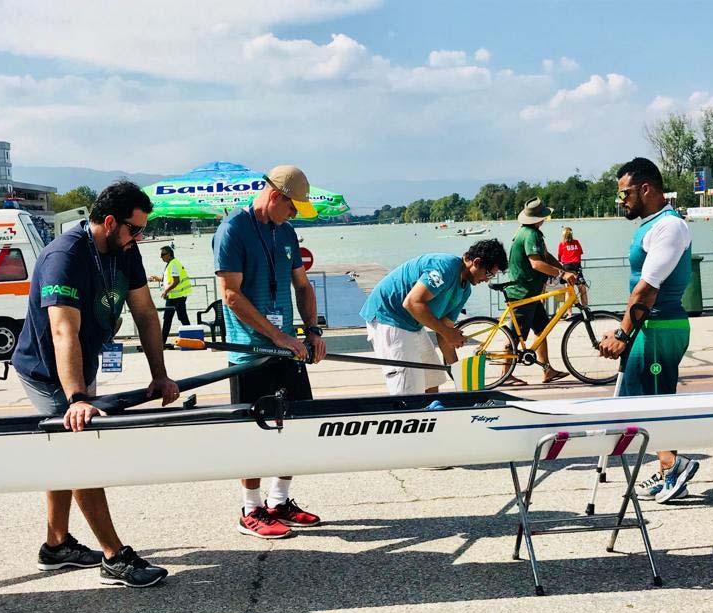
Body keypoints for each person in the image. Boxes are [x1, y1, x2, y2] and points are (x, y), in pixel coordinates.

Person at [12, 180, 179, 587]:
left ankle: (56, 546)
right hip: (46, 369)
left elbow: (144, 313)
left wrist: (160, 374)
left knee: (66, 453)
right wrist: (78, 398)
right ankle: (113, 557)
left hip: (81, 362)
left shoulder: (126, 252)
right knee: (81, 448)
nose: (139, 238)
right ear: (109, 222)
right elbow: (62, 333)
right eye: (134, 229)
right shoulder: (63, 258)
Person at [213, 165, 327, 540]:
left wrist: (311, 331)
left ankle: (280, 501)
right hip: (251, 353)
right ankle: (250, 508)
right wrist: (278, 336)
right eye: (292, 208)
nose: (294, 215)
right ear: (276, 196)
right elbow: (231, 296)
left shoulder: (287, 232)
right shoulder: (233, 230)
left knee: (295, 426)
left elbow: (303, 286)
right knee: (255, 434)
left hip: (288, 350)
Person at [600, 157, 699, 504]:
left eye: (625, 193)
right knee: (637, 401)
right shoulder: (652, 225)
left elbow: (647, 288)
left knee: (652, 405)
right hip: (647, 327)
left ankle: (676, 466)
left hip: (660, 327)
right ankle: (668, 467)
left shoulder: (669, 227)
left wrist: (623, 334)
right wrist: (625, 329)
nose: (621, 201)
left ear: (646, 188)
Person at [360, 239, 508, 395]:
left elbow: (445, 335)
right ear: (476, 262)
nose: (487, 280)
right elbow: (412, 303)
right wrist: (447, 332)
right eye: (489, 274)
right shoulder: (445, 267)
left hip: (412, 324)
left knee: (433, 378)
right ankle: (410, 414)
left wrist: (460, 376)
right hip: (388, 317)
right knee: (408, 388)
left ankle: (430, 412)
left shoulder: (465, 290)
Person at [503, 198, 579, 385]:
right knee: (515, 335)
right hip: (523, 293)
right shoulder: (530, 234)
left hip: (532, 292)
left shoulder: (529, 232)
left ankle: (547, 370)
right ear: (539, 217)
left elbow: (545, 256)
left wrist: (564, 270)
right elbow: (536, 263)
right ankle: (505, 375)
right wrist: (562, 273)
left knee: (541, 330)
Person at [148, 245, 192, 342]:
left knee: (180, 318)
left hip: (178, 297)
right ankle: (162, 341)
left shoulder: (174, 264)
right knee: (169, 318)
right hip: (173, 297)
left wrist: (165, 291)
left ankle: (192, 339)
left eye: (163, 254)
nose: (161, 257)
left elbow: (176, 281)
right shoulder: (170, 264)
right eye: (161, 255)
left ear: (170, 254)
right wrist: (157, 279)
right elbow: (169, 279)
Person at [557, 225, 589, 308]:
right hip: (576, 266)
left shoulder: (562, 244)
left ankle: (569, 312)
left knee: (569, 290)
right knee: (582, 288)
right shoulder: (576, 242)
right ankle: (585, 307)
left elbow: (559, 257)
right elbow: (580, 253)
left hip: (566, 267)